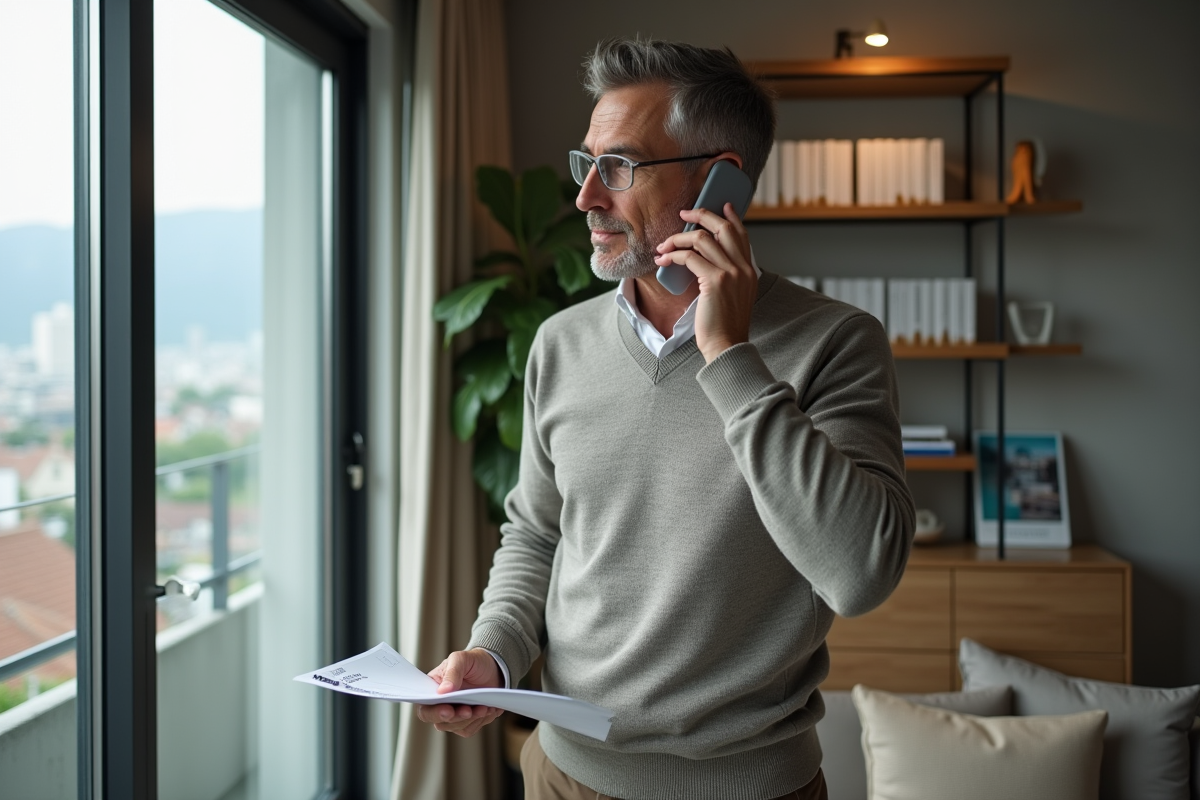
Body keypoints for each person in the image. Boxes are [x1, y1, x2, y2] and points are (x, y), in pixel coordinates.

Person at [416, 38, 915, 800]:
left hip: (753, 789)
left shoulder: (836, 344)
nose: (584, 198)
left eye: (618, 167)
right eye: (587, 165)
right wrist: (495, 652)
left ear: (722, 185)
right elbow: (538, 533)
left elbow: (859, 574)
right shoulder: (559, 344)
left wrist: (729, 356)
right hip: (562, 778)